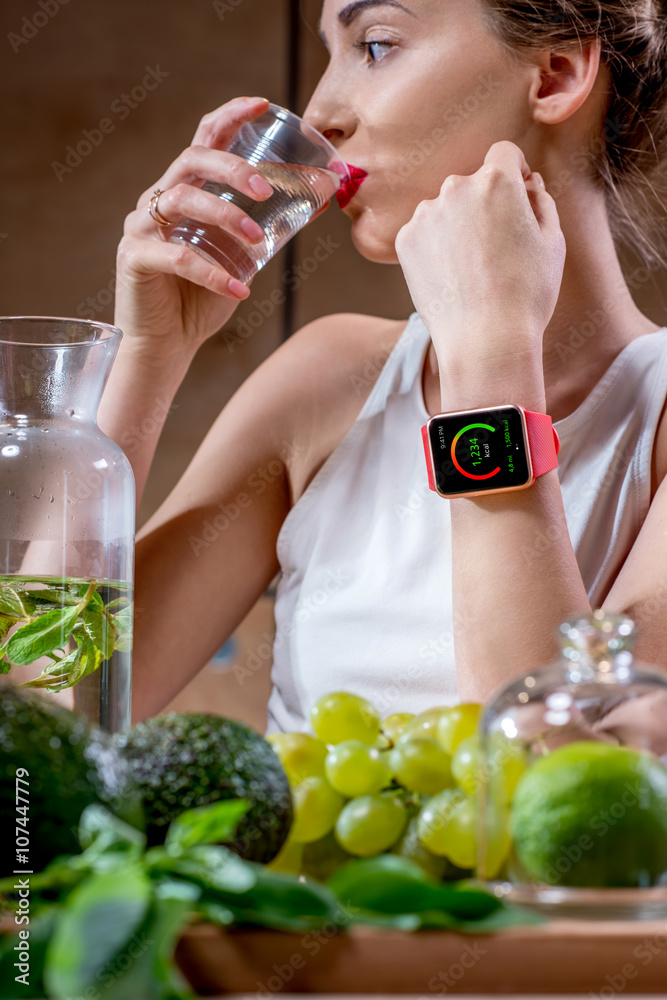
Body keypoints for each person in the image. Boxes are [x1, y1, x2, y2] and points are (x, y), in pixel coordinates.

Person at [99, 0, 667, 731]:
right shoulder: (323, 378)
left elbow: (554, 800)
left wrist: (489, 363)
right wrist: (150, 355)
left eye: (374, 45)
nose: (321, 115)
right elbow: (52, 728)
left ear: (554, 75)